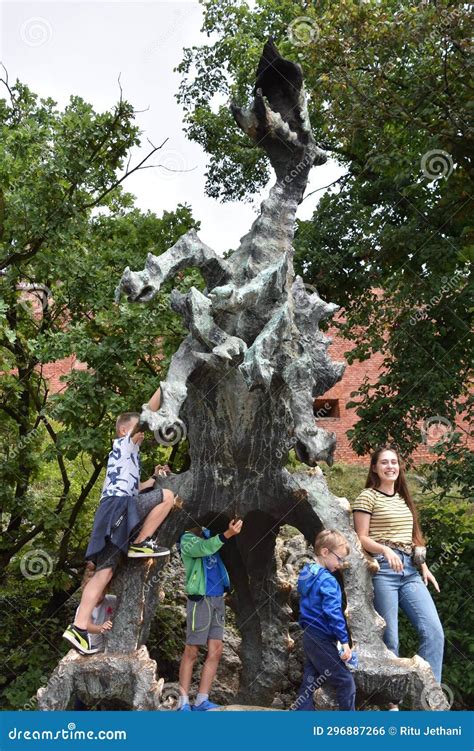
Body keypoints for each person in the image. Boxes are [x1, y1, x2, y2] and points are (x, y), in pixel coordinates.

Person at [63, 383, 178, 655]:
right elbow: (148, 412)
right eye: (139, 428)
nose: (144, 432)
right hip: (118, 508)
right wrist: (165, 384)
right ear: (125, 430)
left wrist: (154, 479)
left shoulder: (129, 459)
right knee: (169, 497)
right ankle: (141, 541)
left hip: (113, 508)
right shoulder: (123, 444)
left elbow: (133, 488)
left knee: (105, 572)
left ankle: (78, 625)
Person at [351, 445, 444, 709]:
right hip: (383, 569)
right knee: (390, 639)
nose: (390, 466)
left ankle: (427, 696)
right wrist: (383, 549)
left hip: (411, 571)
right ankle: (391, 703)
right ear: (374, 468)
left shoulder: (404, 499)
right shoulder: (367, 497)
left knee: (434, 632)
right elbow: (361, 538)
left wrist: (423, 566)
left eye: (394, 462)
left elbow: (413, 539)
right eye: (384, 462)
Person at [177, 518, 243, 711]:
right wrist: (227, 534)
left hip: (217, 597)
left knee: (216, 649)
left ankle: (201, 700)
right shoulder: (186, 540)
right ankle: (182, 701)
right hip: (201, 599)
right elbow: (204, 549)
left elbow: (216, 548)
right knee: (192, 649)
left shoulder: (207, 533)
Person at [294, 529, 356, 711]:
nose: (341, 564)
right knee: (346, 682)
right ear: (325, 552)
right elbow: (333, 612)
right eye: (340, 558)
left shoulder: (307, 573)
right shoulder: (328, 581)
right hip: (322, 637)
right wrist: (344, 641)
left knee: (310, 679)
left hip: (309, 635)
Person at [73, 562, 117, 710]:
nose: (99, 594)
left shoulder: (110, 600)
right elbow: (87, 625)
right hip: (87, 650)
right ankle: (80, 710)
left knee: (103, 684)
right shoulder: (84, 606)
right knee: (85, 685)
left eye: (102, 590)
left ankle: (102, 708)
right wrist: (101, 628)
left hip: (105, 650)